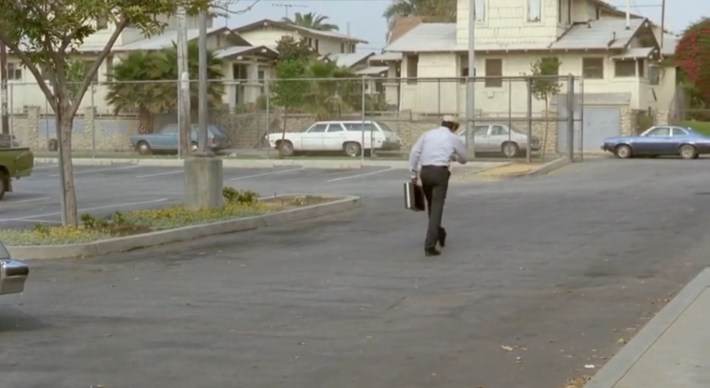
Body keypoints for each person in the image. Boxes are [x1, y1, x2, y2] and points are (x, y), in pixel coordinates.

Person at [408, 115, 469, 256]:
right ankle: (430, 245)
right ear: (453, 126)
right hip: (440, 173)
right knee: (437, 207)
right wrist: (454, 157)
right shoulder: (453, 138)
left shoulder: (427, 134)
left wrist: (413, 173)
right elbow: (464, 158)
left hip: (426, 172)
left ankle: (438, 232)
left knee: (432, 205)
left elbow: (414, 152)